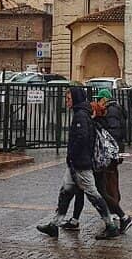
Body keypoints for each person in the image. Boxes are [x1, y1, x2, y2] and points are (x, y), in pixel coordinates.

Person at [37, 86, 119, 240]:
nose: (66, 102)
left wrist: (73, 155)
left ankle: (110, 225)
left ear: (75, 98)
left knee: (93, 194)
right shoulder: (82, 113)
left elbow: (82, 138)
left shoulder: (80, 115)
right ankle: (55, 224)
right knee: (65, 192)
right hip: (75, 163)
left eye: (68, 99)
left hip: (80, 164)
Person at [62, 89, 132, 233]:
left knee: (100, 192)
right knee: (83, 191)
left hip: (96, 162)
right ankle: (73, 220)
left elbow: (91, 140)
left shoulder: (92, 120)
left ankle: (119, 218)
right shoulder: (95, 120)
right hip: (95, 161)